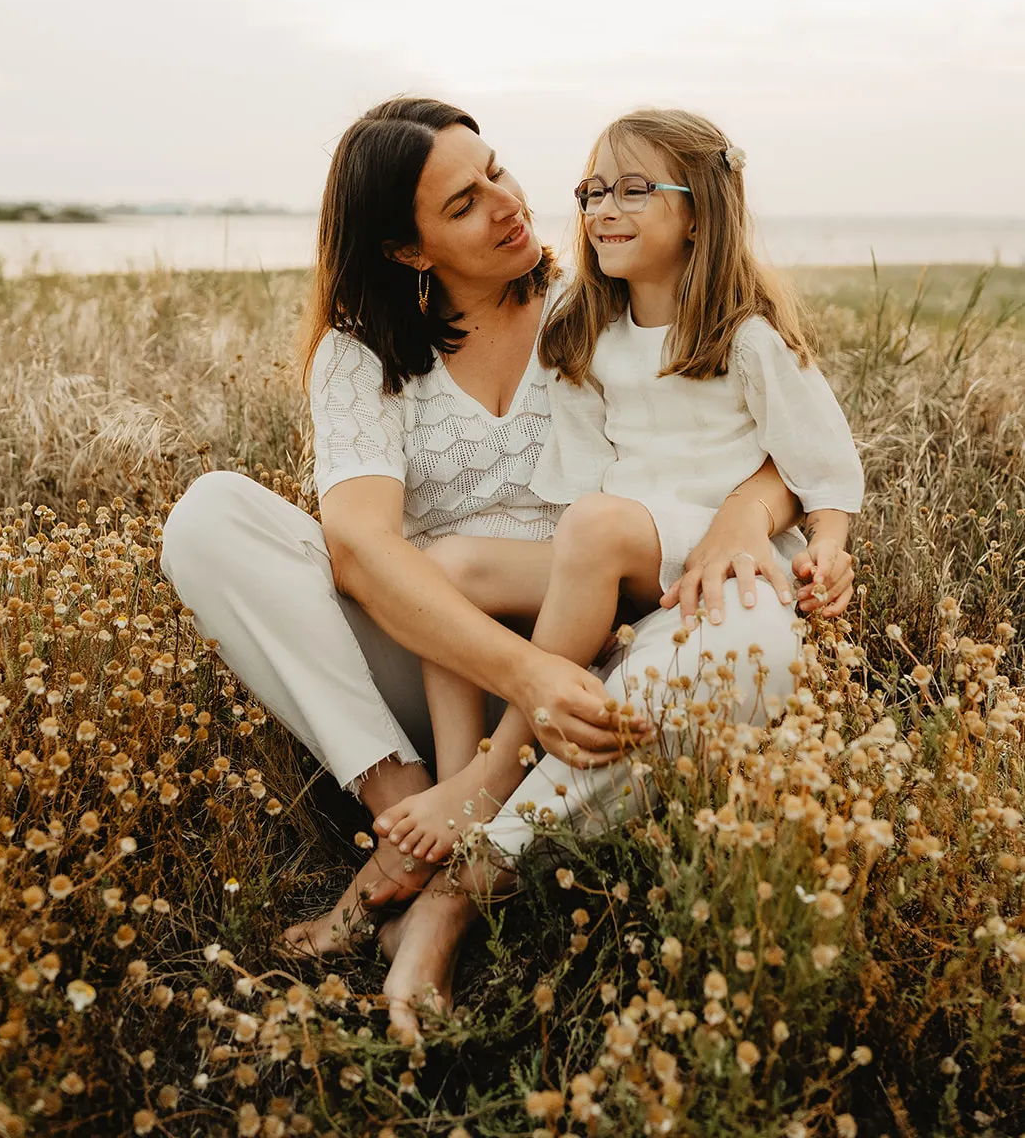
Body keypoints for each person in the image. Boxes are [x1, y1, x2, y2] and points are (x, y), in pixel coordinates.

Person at [159, 96, 853, 1029]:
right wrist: (524, 676)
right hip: (446, 668)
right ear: (408, 251)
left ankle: (464, 876)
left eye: (496, 169)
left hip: (604, 655)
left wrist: (744, 510)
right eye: (462, 204)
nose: (506, 202)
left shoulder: (597, 302)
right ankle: (405, 813)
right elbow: (363, 554)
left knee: (755, 639)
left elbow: (774, 431)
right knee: (211, 518)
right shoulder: (360, 357)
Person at [374, 108, 864, 866]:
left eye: (633, 190)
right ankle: (454, 769)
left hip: (713, 552)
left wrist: (828, 548)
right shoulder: (586, 330)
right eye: (591, 191)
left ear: (699, 211)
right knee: (443, 570)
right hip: (626, 546)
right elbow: (579, 486)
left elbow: (821, 466)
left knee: (598, 526)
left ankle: (495, 774)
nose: (602, 209)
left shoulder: (746, 336)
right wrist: (582, 596)